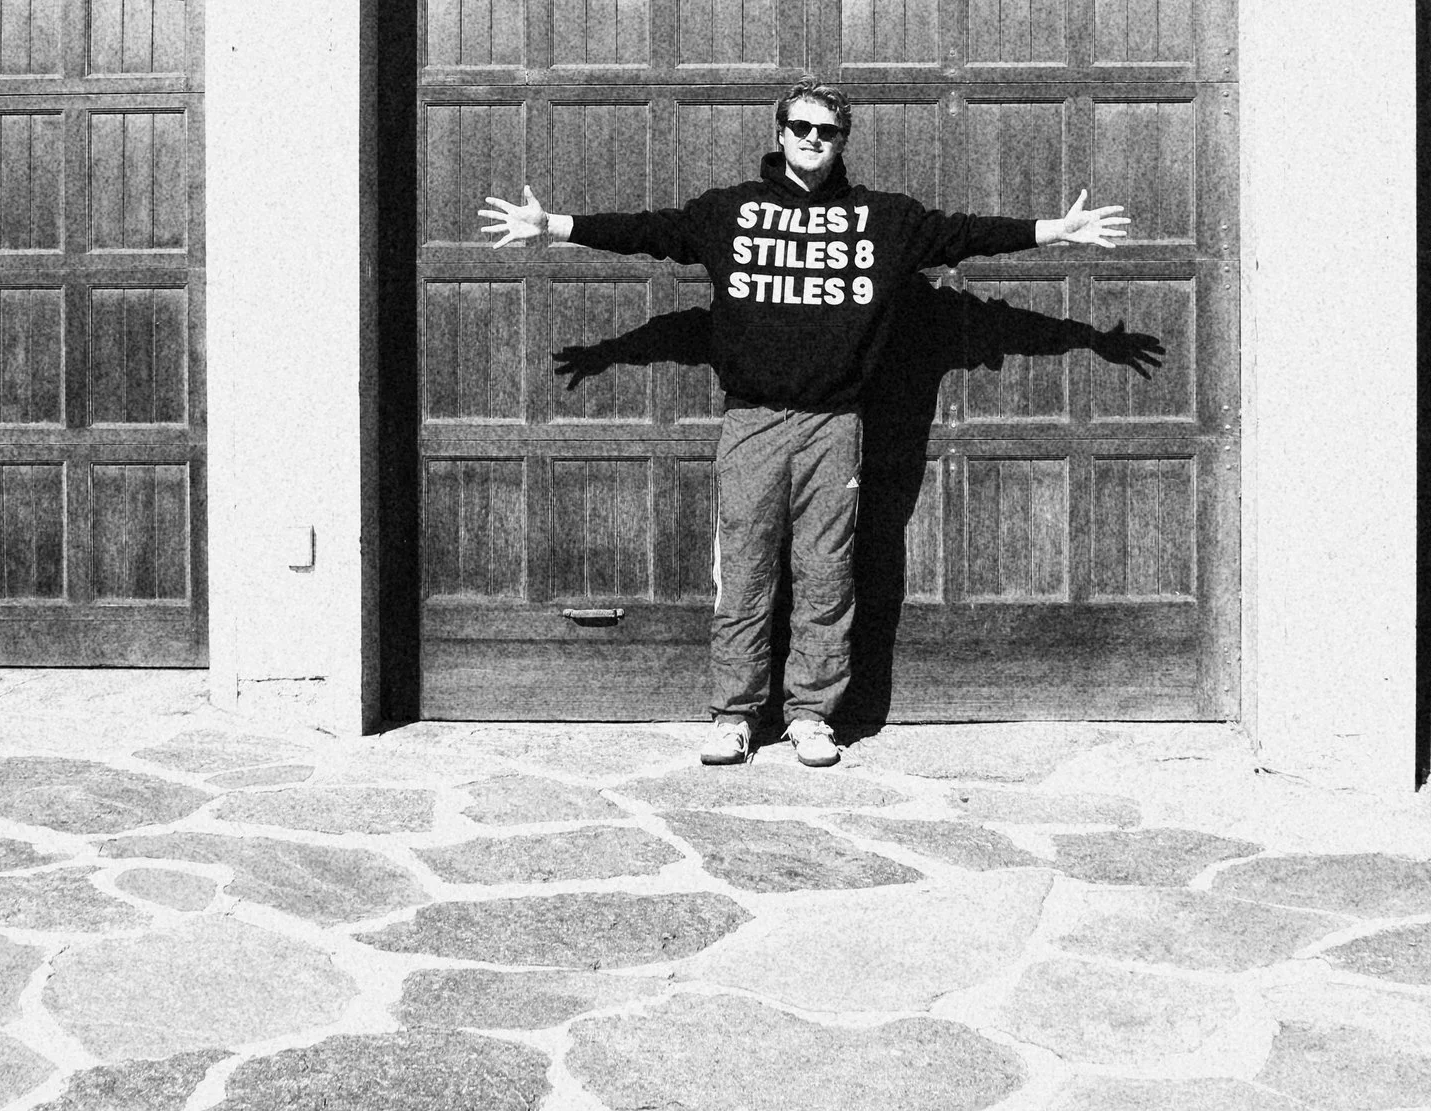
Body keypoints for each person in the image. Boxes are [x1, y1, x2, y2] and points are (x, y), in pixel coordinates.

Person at [480, 81, 1128, 767]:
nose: (812, 138)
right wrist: (555, 226)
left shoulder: (885, 219)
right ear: (779, 131)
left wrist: (1055, 231)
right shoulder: (729, 212)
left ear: (842, 140)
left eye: (827, 130)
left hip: (834, 424)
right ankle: (734, 713)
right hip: (752, 421)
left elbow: (965, 233)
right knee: (744, 569)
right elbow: (651, 231)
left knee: (826, 572)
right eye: (801, 126)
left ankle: (811, 715)